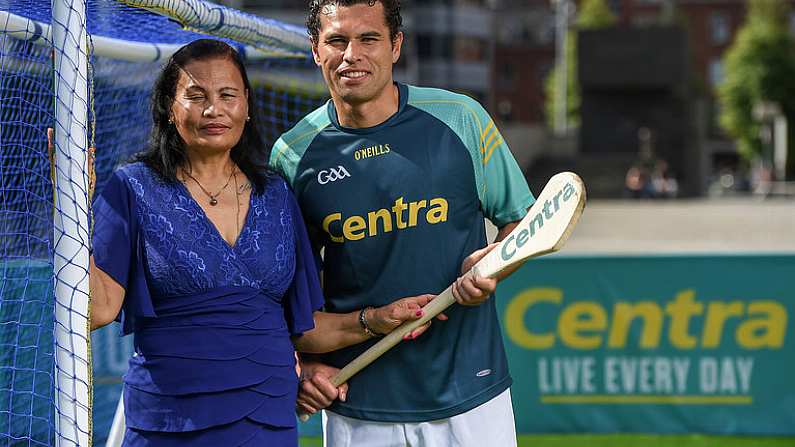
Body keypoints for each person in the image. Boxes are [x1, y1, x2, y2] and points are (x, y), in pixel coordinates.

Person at [88, 38, 434, 447]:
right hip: (169, 419)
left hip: (265, 418)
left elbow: (304, 330)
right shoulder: (131, 188)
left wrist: (375, 320)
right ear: (169, 107)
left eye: (227, 95)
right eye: (195, 96)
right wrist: (73, 204)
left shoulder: (277, 194)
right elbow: (97, 310)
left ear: (247, 106)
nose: (213, 110)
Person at [268, 1, 535, 445]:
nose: (351, 54)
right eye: (336, 40)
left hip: (470, 389)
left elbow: (523, 225)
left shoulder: (461, 119)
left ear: (395, 46)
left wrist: (495, 265)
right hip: (358, 399)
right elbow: (286, 291)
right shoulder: (291, 155)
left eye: (368, 39)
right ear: (316, 51)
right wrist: (303, 365)